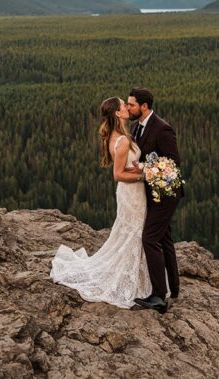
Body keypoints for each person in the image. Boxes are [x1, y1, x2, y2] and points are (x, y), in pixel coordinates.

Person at [49, 97, 152, 308]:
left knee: (133, 233)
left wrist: (141, 169)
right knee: (134, 233)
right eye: (124, 105)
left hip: (132, 192)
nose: (126, 107)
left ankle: (137, 278)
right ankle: (132, 282)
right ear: (117, 113)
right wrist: (147, 175)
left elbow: (127, 166)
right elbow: (118, 174)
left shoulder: (119, 135)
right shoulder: (122, 140)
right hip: (132, 192)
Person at [127, 87, 182, 314]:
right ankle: (175, 289)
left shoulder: (162, 129)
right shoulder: (136, 127)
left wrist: (142, 167)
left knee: (149, 238)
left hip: (166, 194)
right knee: (164, 238)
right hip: (150, 193)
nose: (129, 108)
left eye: (131, 105)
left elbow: (173, 164)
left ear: (144, 106)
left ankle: (159, 295)